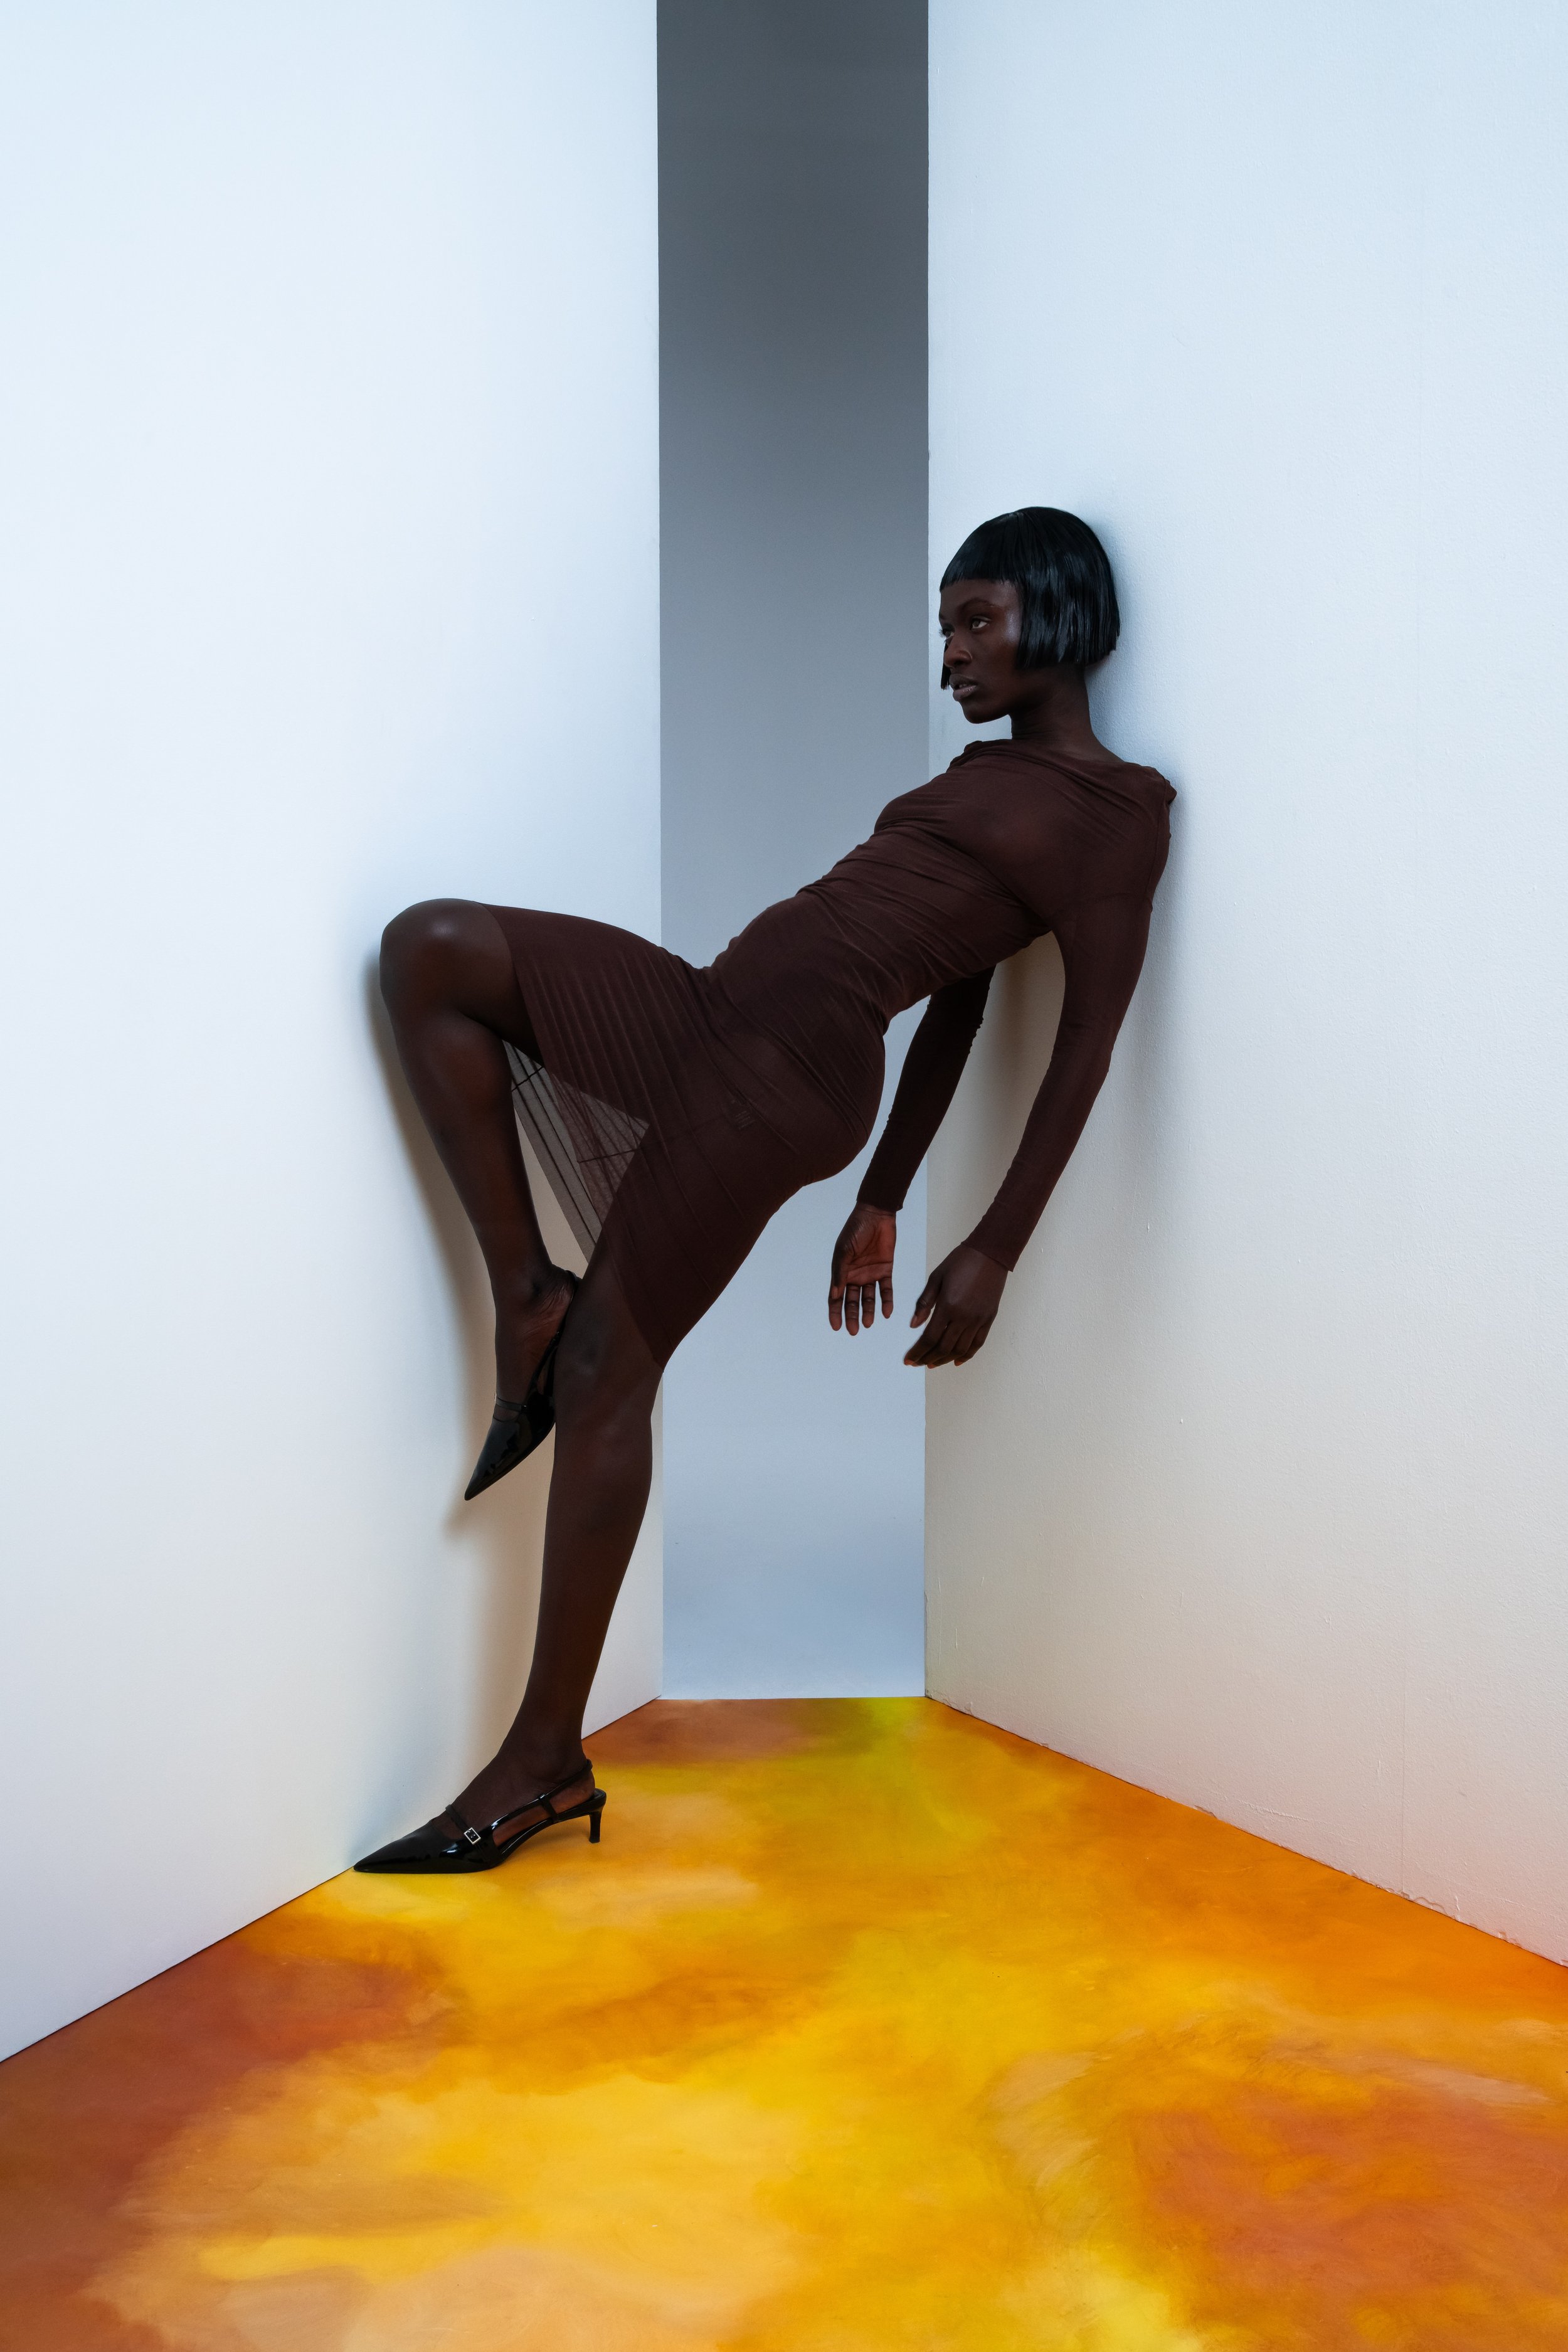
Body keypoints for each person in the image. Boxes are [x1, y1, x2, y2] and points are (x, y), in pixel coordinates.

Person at [357, 506, 1173, 1873]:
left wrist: (991, 1248)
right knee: (430, 947)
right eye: (942, 629)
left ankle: (542, 1759)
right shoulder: (979, 779)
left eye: (977, 621)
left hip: (785, 1072)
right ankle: (524, 1295)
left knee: (616, 1367)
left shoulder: (1118, 820)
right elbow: (960, 1011)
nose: (951, 657)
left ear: (1060, 610)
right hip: (704, 1010)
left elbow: (1080, 1047)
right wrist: (883, 1198)